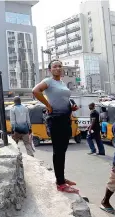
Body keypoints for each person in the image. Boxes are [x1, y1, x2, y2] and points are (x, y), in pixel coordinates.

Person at [32, 59, 79, 193]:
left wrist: (71, 107)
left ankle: (61, 178)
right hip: (56, 119)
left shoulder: (62, 83)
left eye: (60, 66)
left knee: (62, 151)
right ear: (50, 70)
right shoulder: (49, 81)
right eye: (55, 66)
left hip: (65, 119)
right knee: (58, 151)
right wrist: (47, 105)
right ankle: (60, 183)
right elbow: (35, 91)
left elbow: (63, 99)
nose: (58, 68)